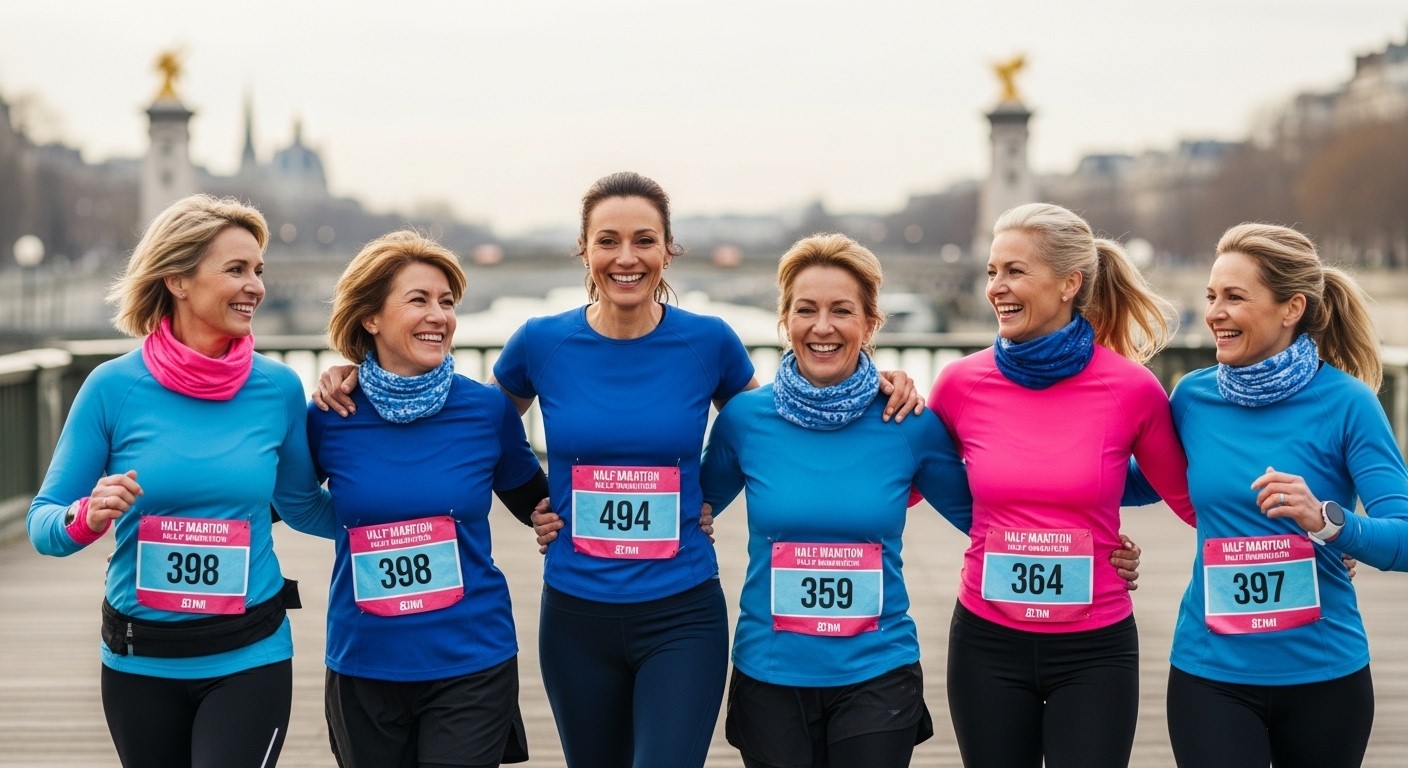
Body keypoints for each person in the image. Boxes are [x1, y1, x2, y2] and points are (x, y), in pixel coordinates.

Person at [316, 171, 924, 768]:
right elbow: (470, 425)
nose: (626, 257)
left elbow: (774, 430)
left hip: (682, 613)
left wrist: (869, 384)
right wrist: (363, 378)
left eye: (644, 240)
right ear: (584, 250)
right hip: (576, 617)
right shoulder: (541, 342)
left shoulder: (709, 342)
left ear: (668, 250)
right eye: (608, 240)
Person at [26, 194, 338, 768]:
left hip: (250, 656)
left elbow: (304, 507)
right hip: (140, 661)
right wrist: (85, 515)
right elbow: (43, 523)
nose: (255, 287)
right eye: (236, 269)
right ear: (177, 280)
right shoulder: (112, 387)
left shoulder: (278, 389)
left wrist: (408, 512)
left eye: (258, 270)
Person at [923, 202, 1196, 768]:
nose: (996, 287)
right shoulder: (958, 384)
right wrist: (875, 393)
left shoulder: (1132, 389)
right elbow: (896, 480)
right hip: (986, 644)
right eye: (992, 272)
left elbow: (1188, 496)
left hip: (1095, 650)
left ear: (1070, 283)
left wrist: (1316, 532)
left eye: (1014, 271)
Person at [697, 233, 973, 767]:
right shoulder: (744, 421)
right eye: (806, 310)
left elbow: (988, 521)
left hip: (878, 673)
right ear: (785, 321)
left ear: (870, 324)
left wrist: (1095, 548)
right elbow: (685, 512)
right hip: (770, 673)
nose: (822, 327)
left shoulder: (908, 423)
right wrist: (562, 515)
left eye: (842, 311)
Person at [1158, 223, 1408, 768]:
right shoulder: (1192, 398)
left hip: (1325, 677)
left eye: (1234, 297)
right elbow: (1126, 478)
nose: (1214, 313)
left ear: (1292, 307)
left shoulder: (1349, 403)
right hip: (1210, 675)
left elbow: (1404, 537)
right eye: (1211, 296)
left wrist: (1328, 521)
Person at [307, 231, 548, 768]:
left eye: (447, 302)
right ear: (370, 318)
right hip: (364, 661)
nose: (439, 316)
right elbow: (276, 502)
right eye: (418, 300)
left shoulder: (487, 411)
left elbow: (540, 505)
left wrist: (677, 500)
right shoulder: (330, 415)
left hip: (471, 660)